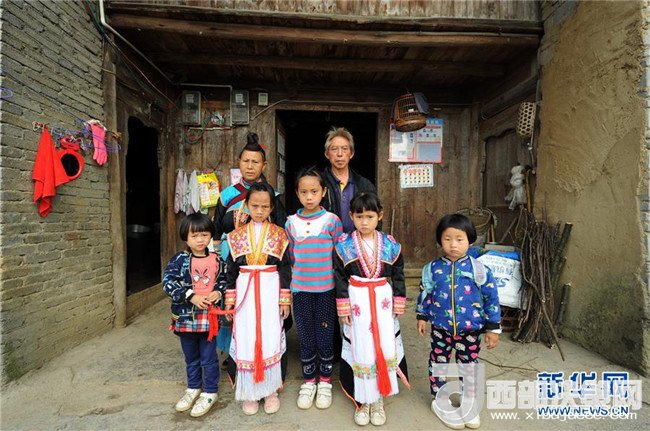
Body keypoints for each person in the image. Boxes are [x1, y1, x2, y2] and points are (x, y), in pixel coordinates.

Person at [416, 213, 501, 430]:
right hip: (440, 329)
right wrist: (422, 316)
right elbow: (425, 293)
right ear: (440, 240)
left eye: (459, 239)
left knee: (469, 365)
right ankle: (439, 399)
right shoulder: (433, 269)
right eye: (447, 239)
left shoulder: (479, 270)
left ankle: (469, 402)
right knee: (439, 363)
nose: (453, 244)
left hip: (470, 330)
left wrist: (493, 328)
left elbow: (491, 298)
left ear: (470, 240)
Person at [334, 192, 409, 427]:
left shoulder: (390, 244)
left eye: (369, 216)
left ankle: (378, 399)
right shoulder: (344, 245)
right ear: (351, 216)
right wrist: (343, 306)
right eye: (359, 217)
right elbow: (339, 276)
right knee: (361, 346)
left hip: (382, 300)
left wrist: (398, 299)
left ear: (380, 215)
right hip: (357, 300)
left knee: (383, 344)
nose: (364, 222)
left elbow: (398, 273)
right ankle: (363, 399)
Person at [212, 132, 288, 356]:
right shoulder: (227, 195)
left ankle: (266, 352)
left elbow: (281, 229)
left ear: (264, 165)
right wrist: (217, 258)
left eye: (255, 162)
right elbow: (216, 228)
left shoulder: (272, 196)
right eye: (246, 161)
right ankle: (233, 353)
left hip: (263, 264)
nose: (250, 166)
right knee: (231, 302)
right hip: (230, 257)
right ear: (239, 163)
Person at [223, 183, 291, 415]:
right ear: (246, 205)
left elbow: (285, 268)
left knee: (271, 336)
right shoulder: (236, 236)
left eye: (265, 206)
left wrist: (284, 299)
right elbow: (231, 270)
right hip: (245, 292)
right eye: (254, 206)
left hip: (270, 290)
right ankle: (249, 391)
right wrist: (230, 299)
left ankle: (270, 390)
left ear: (271, 207)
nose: (259, 211)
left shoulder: (280, 235)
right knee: (246, 337)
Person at [285, 167, 343, 410]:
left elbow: (339, 255)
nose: (309, 197)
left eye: (314, 191)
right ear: (297, 193)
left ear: (323, 192)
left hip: (326, 289)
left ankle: (325, 381)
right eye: (304, 192)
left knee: (325, 335)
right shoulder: (291, 223)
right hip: (300, 290)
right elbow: (290, 257)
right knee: (306, 335)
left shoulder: (332, 221)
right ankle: (309, 381)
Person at [162, 213, 226, 418]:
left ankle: (210, 392)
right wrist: (191, 296)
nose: (200, 240)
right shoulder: (179, 260)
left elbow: (224, 281)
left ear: (210, 236)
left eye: (204, 235)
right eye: (194, 236)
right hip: (185, 318)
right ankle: (193, 388)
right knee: (191, 357)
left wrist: (218, 292)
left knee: (208, 357)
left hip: (209, 318)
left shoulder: (217, 259)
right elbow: (168, 283)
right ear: (186, 238)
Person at [321, 127, 377, 234]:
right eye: (334, 149)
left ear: (351, 153)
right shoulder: (319, 183)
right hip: (327, 242)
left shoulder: (364, 185)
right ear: (327, 154)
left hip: (357, 242)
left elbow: (375, 216)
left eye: (344, 149)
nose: (340, 154)